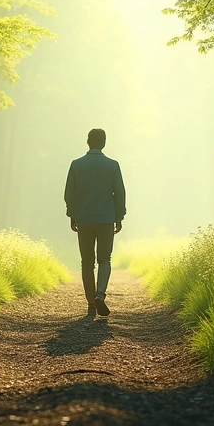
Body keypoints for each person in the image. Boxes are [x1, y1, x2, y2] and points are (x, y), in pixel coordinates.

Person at [64, 128, 126, 317]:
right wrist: (119, 216)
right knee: (105, 259)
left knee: (87, 262)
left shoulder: (76, 165)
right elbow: (120, 192)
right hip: (106, 219)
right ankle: (100, 294)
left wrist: (72, 215)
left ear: (88, 142)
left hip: (84, 219)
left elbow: (69, 194)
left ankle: (91, 302)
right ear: (104, 143)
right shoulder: (112, 165)